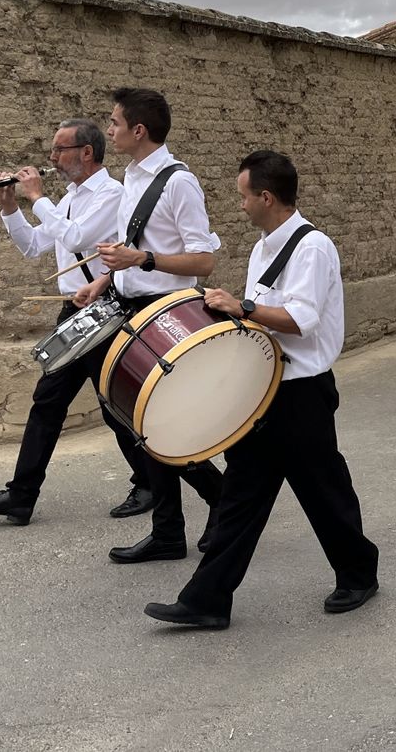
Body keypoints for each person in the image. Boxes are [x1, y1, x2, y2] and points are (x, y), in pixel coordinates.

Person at [143, 150, 380, 630]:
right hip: (264, 389)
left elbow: (300, 321)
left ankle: (359, 572)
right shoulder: (263, 247)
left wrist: (241, 306)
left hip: (303, 392)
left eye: (244, 197)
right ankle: (207, 600)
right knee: (241, 496)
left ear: (266, 197)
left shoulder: (312, 247)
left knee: (323, 491)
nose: (241, 206)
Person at [0, 118, 150, 526]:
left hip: (106, 310)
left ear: (86, 152)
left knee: (115, 404)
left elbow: (77, 238)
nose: (52, 159)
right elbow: (33, 247)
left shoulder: (112, 195)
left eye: (59, 150)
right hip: (75, 311)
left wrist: (35, 197)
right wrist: (11, 206)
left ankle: (157, 481)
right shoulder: (66, 199)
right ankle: (21, 496)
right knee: (49, 402)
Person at [74, 87, 224, 563]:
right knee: (135, 420)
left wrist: (144, 258)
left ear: (139, 130)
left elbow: (205, 259)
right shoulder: (131, 178)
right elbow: (127, 244)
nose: (110, 128)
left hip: (167, 310)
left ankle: (218, 501)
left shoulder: (179, 182)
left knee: (159, 421)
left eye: (115, 122)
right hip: (128, 304)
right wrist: (103, 280)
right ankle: (169, 531)